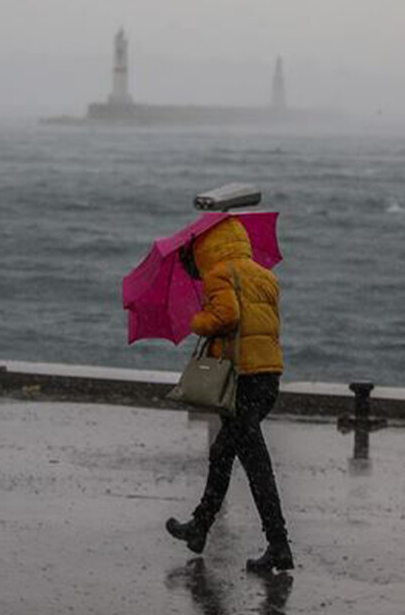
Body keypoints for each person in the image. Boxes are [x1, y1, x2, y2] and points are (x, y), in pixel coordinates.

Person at [165, 216, 293, 572]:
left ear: (208, 247)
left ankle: (279, 545)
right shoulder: (264, 275)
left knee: (256, 464)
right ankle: (200, 527)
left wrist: (198, 321)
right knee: (223, 451)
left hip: (241, 381)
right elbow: (262, 323)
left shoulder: (219, 274)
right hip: (267, 377)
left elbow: (227, 316)